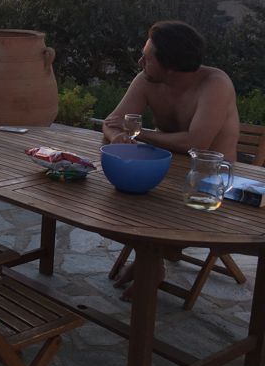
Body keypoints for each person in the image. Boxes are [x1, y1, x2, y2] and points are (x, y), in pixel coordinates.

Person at [102, 20, 240, 299]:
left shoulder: (215, 84)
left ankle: (152, 261)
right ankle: (151, 258)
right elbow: (111, 122)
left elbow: (195, 144)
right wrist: (117, 137)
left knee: (141, 208)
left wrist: (140, 134)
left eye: (147, 58)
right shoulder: (147, 80)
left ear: (171, 67)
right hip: (164, 173)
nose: (140, 62)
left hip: (210, 183)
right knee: (107, 203)